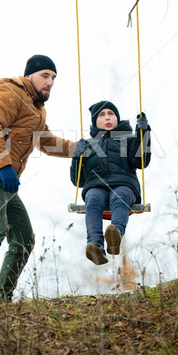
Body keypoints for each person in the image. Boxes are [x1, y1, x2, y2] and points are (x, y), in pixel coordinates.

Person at [0, 54, 76, 308]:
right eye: (45, 76)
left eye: (54, 78)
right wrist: (5, 167)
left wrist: (80, 148)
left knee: (24, 239)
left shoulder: (37, 109)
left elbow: (47, 141)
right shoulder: (10, 91)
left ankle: (2, 300)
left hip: (5, 181)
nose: (50, 82)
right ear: (29, 76)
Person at [70, 101, 151, 265]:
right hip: (95, 186)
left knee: (119, 196)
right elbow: (78, 180)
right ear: (95, 122)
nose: (107, 117)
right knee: (92, 199)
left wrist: (144, 133)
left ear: (117, 118)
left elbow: (141, 160)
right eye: (102, 115)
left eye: (111, 114)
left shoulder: (128, 139)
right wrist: (77, 157)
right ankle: (95, 244)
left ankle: (115, 234)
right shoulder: (88, 144)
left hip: (123, 183)